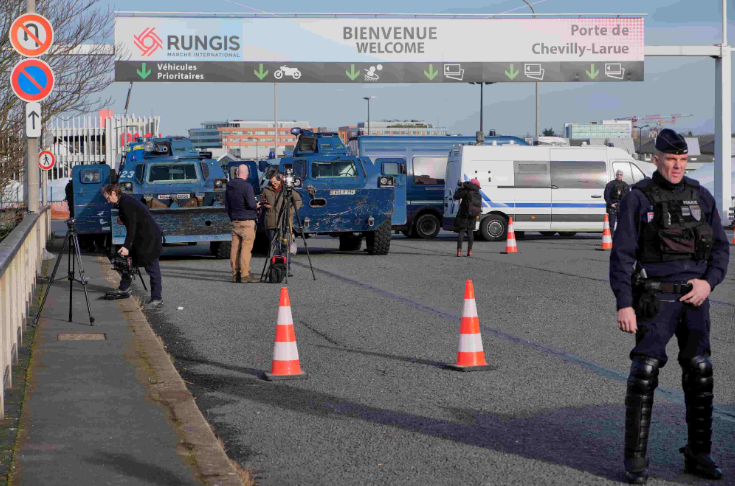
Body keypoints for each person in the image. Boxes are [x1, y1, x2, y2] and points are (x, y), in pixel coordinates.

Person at [609, 129, 729, 484]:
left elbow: (721, 249)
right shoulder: (638, 198)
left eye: (682, 160)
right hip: (654, 298)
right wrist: (624, 304)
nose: (676, 166)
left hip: (695, 299)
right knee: (644, 373)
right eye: (670, 160)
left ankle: (699, 453)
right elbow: (622, 256)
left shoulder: (701, 196)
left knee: (700, 370)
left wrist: (709, 282)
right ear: (655, 160)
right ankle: (635, 459)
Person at [102, 184, 164, 306]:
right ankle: (124, 288)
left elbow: (132, 227)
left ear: (114, 192)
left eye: (108, 198)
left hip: (149, 239)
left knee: (152, 268)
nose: (108, 201)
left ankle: (157, 299)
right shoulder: (123, 201)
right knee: (128, 263)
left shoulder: (126, 203)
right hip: (140, 238)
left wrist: (126, 246)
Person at [261, 169, 303, 277]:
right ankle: (275, 269)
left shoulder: (287, 189)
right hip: (271, 223)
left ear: (280, 178)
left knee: (285, 247)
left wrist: (290, 211)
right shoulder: (265, 190)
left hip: (285, 223)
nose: (273, 184)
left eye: (275, 182)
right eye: (271, 182)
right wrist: (263, 206)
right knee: (274, 248)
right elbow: (261, 202)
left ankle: (286, 269)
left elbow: (298, 201)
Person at [225, 164, 259, 283]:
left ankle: (235, 274)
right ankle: (245, 274)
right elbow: (250, 204)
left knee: (235, 248)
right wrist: (257, 205)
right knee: (246, 248)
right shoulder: (247, 186)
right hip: (247, 221)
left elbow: (227, 205)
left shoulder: (229, 186)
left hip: (235, 221)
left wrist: (232, 217)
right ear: (247, 173)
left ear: (237, 173)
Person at [453, 178, 482, 257]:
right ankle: (469, 251)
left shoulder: (466, 191)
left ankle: (459, 251)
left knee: (462, 232)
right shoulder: (478, 192)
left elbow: (455, 196)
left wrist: (461, 188)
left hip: (464, 214)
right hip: (473, 215)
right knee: (470, 232)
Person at [604, 169, 630, 233]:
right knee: (611, 225)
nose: (619, 176)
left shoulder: (625, 185)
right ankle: (611, 239)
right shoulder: (610, 184)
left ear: (622, 175)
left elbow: (628, 197)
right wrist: (610, 204)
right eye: (618, 174)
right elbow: (606, 195)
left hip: (621, 207)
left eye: (620, 175)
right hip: (612, 206)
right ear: (616, 175)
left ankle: (619, 240)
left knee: (621, 225)